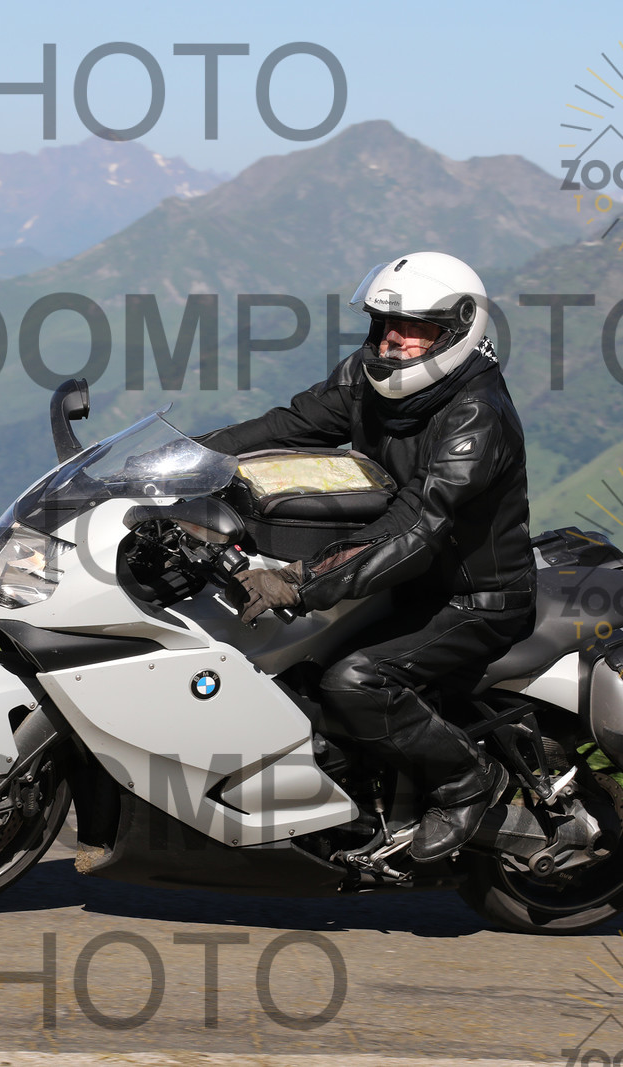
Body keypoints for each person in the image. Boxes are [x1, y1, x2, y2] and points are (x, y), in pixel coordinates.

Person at [196, 252, 537, 862]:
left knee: (354, 681)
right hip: (396, 580)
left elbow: (417, 527)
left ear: (457, 332)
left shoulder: (475, 418)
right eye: (385, 324)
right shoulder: (368, 376)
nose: (393, 340)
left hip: (472, 598)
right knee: (281, 663)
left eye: (415, 328)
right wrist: (184, 463)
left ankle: (467, 781)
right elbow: (289, 425)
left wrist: (299, 580)